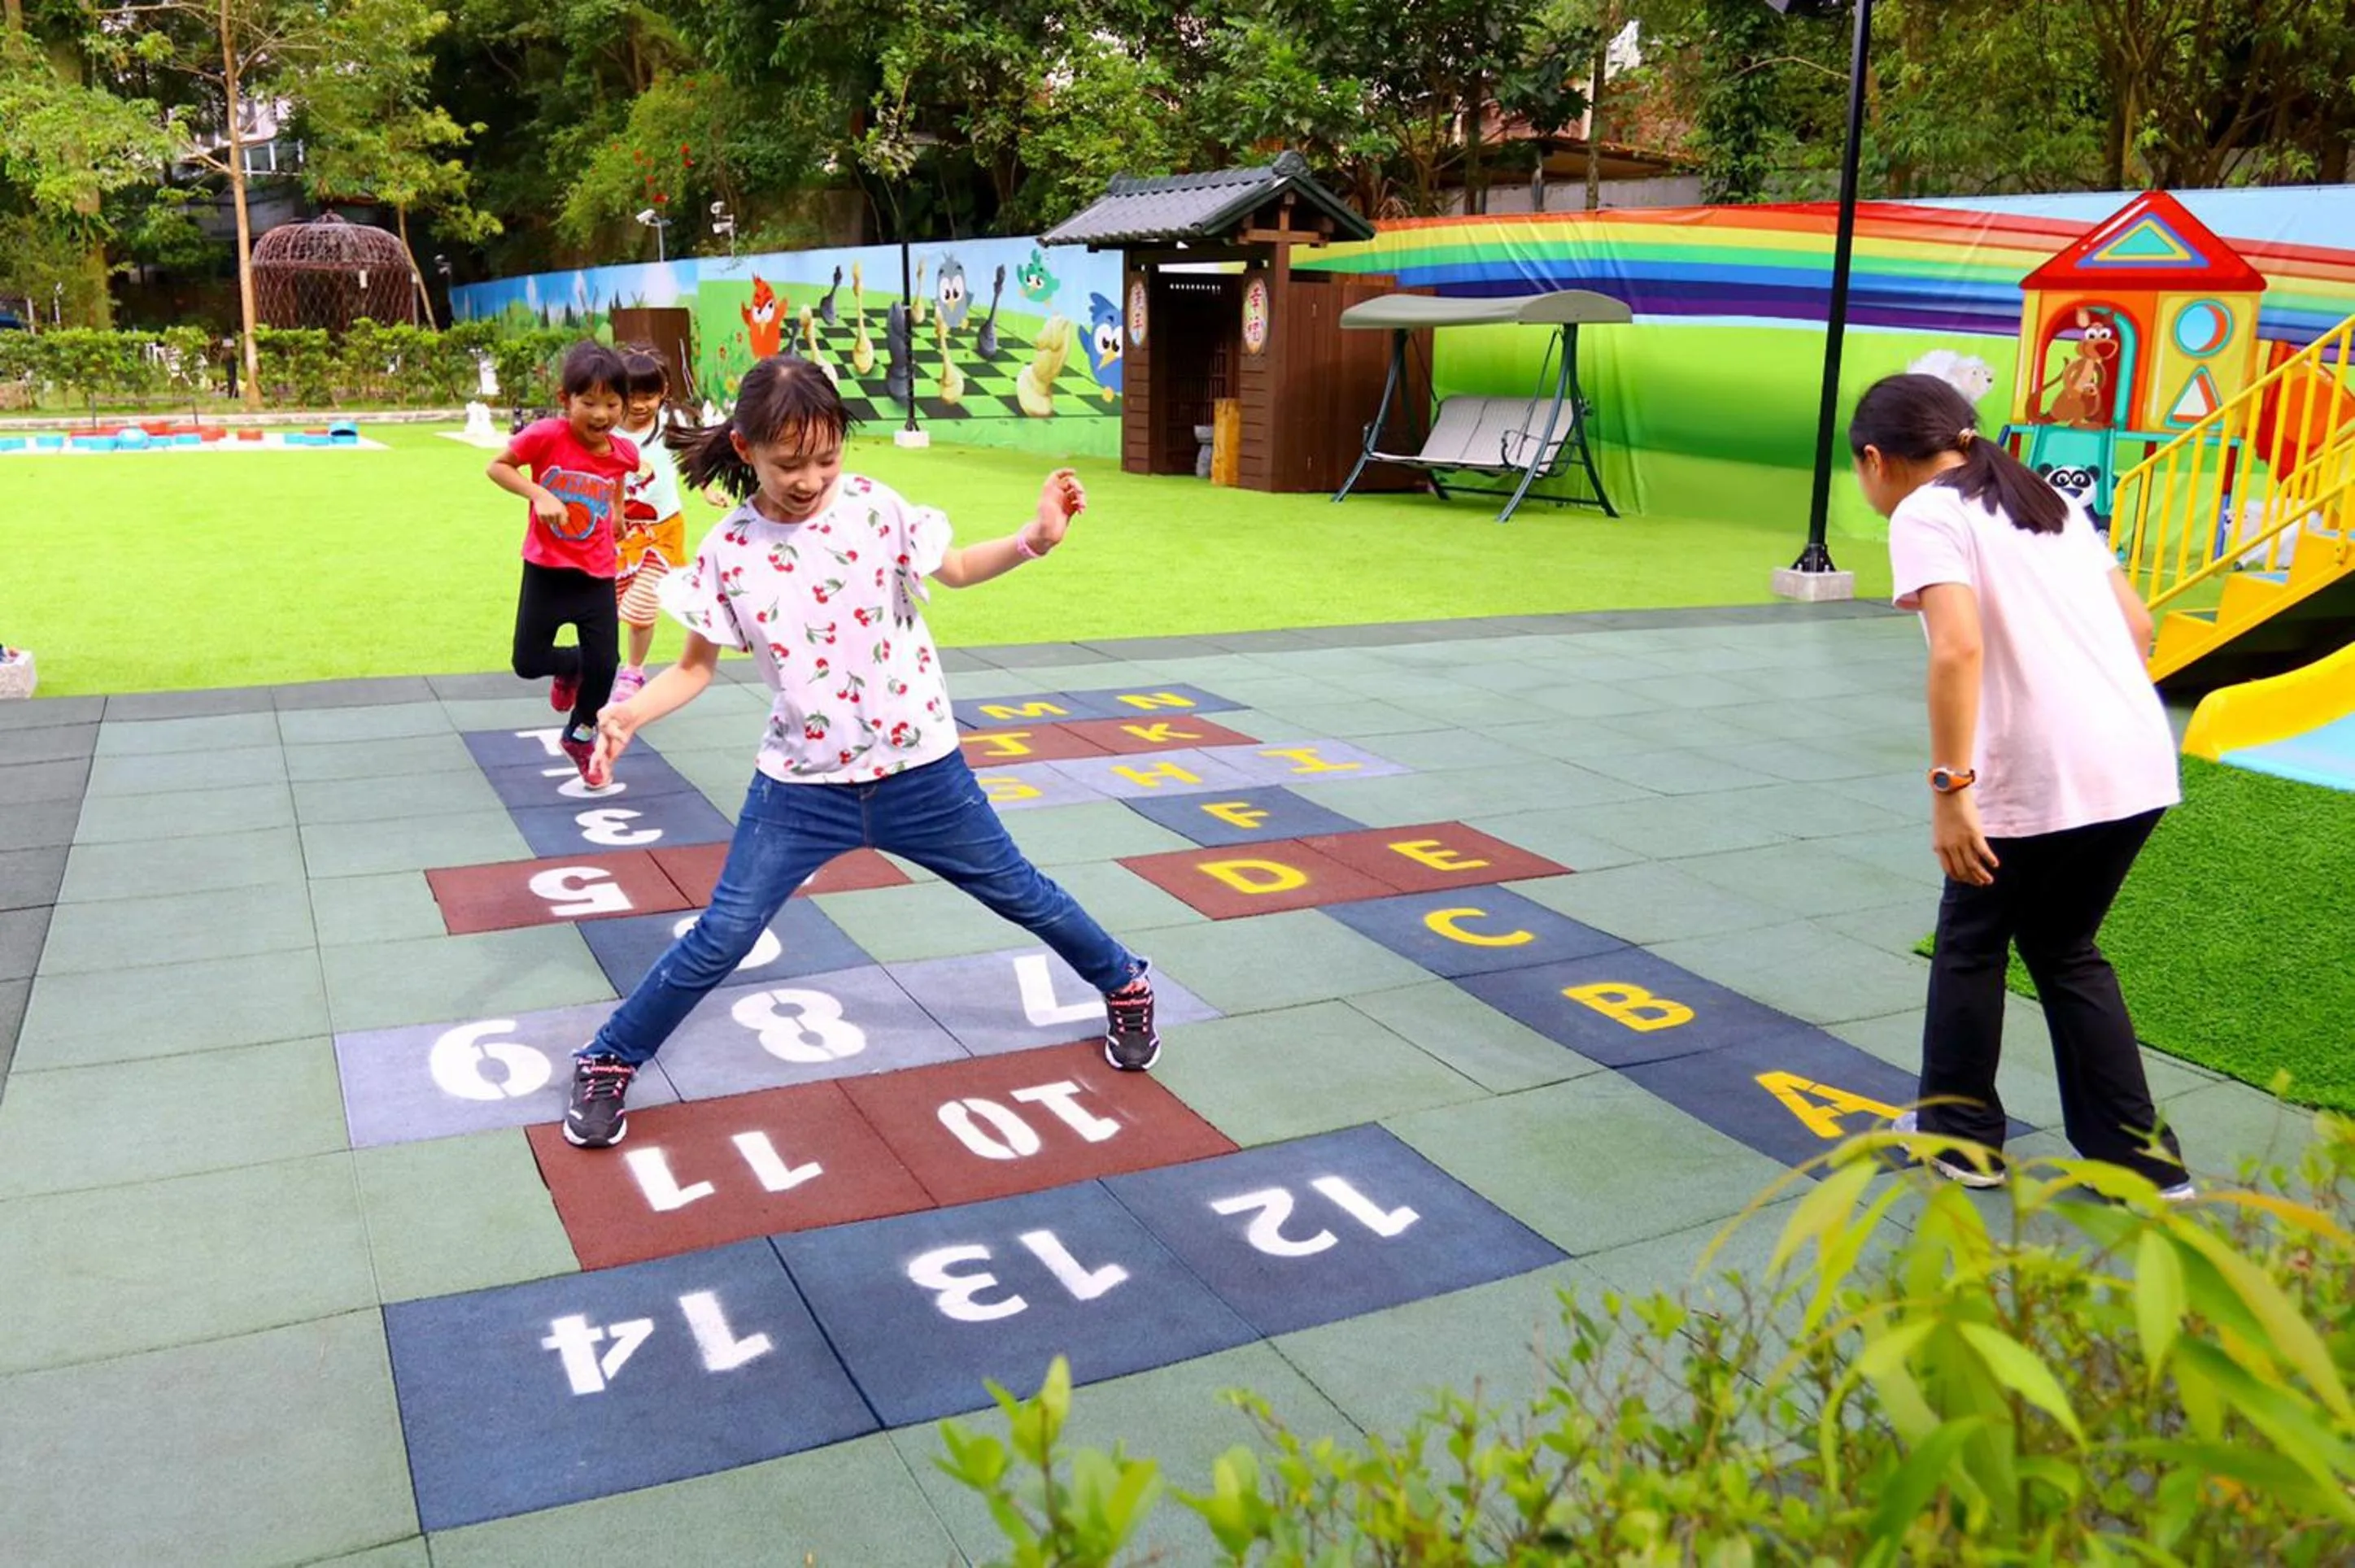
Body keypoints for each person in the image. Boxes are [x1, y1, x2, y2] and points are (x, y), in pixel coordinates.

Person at [557, 354, 1159, 1149]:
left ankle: (1125, 980)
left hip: (922, 772)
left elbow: (959, 566)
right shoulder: (730, 550)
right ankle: (609, 1057)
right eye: (788, 462)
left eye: (826, 458)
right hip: (802, 787)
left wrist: (1034, 537)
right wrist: (630, 710)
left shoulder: (879, 510)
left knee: (1023, 892)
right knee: (724, 931)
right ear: (746, 449)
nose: (809, 478)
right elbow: (697, 666)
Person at [1851, 372, 2192, 1200]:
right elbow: (2139, 627)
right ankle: (2143, 1161)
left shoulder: (1926, 510)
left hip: (2042, 772)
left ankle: (1960, 1138)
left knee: (1973, 940)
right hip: (2140, 760)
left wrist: (1951, 787)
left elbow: (1957, 647)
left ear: (1875, 460)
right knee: (2064, 945)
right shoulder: (2046, 501)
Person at [486, 340, 637, 778]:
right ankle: (568, 665)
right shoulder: (546, 436)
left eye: (612, 403)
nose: (601, 414)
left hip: (595, 572)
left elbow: (617, 479)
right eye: (588, 402)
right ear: (565, 400)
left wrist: (618, 513)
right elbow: (498, 467)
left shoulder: (623, 451)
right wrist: (539, 493)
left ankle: (581, 734)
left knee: (606, 665)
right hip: (546, 571)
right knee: (528, 662)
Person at [612, 346, 691, 703]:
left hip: (662, 532)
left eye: (649, 397)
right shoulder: (606, 428)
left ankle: (634, 671)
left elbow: (695, 458)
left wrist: (707, 490)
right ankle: (588, 666)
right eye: (632, 397)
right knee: (607, 609)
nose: (641, 405)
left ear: (664, 394)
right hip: (615, 533)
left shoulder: (672, 425)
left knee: (641, 608)